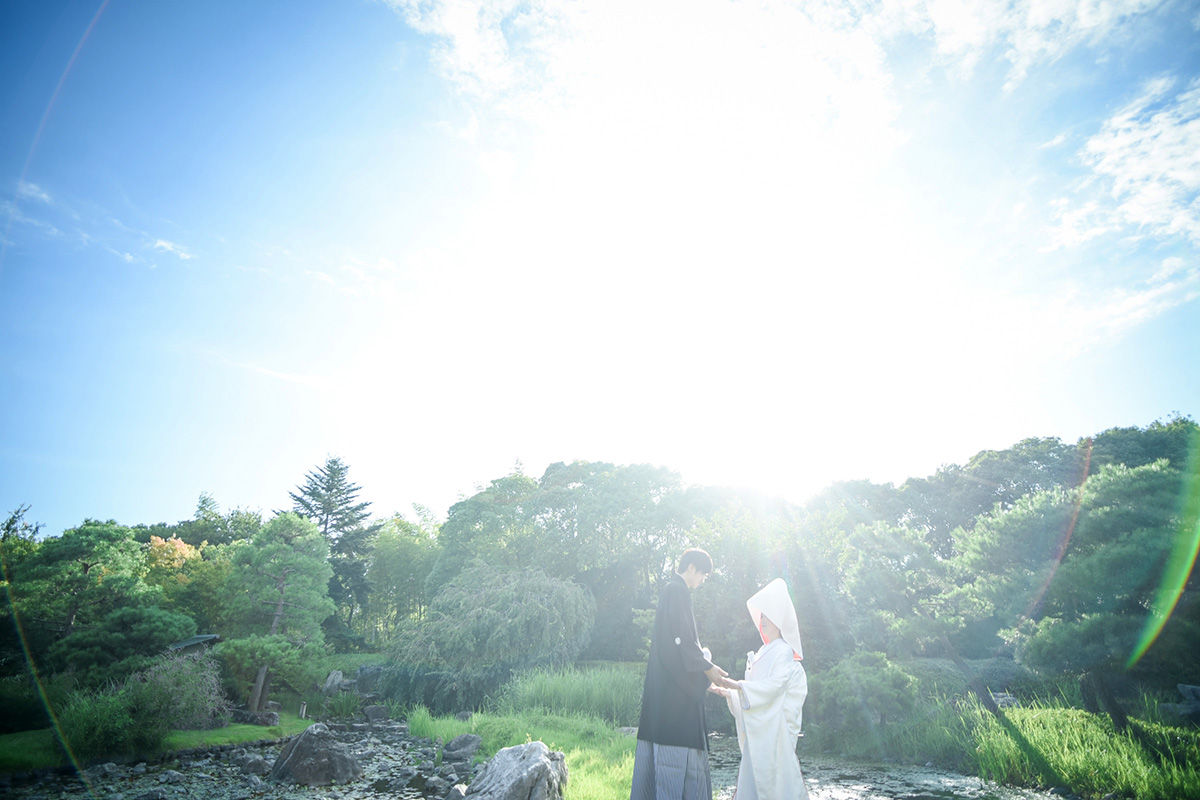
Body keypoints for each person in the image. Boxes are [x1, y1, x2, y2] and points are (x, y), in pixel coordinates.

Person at [630, 548, 740, 800]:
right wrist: (706, 667)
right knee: (676, 766)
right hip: (673, 701)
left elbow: (681, 643)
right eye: (703, 575)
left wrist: (702, 663)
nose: (702, 581)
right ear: (691, 567)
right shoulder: (677, 590)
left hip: (663, 692)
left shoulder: (670, 590)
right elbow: (683, 641)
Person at [721, 578, 809, 800]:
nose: (763, 620)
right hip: (758, 729)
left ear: (780, 620)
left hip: (773, 731)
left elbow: (773, 687)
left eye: (768, 616)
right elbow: (753, 690)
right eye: (762, 615)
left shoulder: (783, 652)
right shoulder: (763, 651)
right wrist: (729, 692)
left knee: (775, 785)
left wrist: (736, 686)